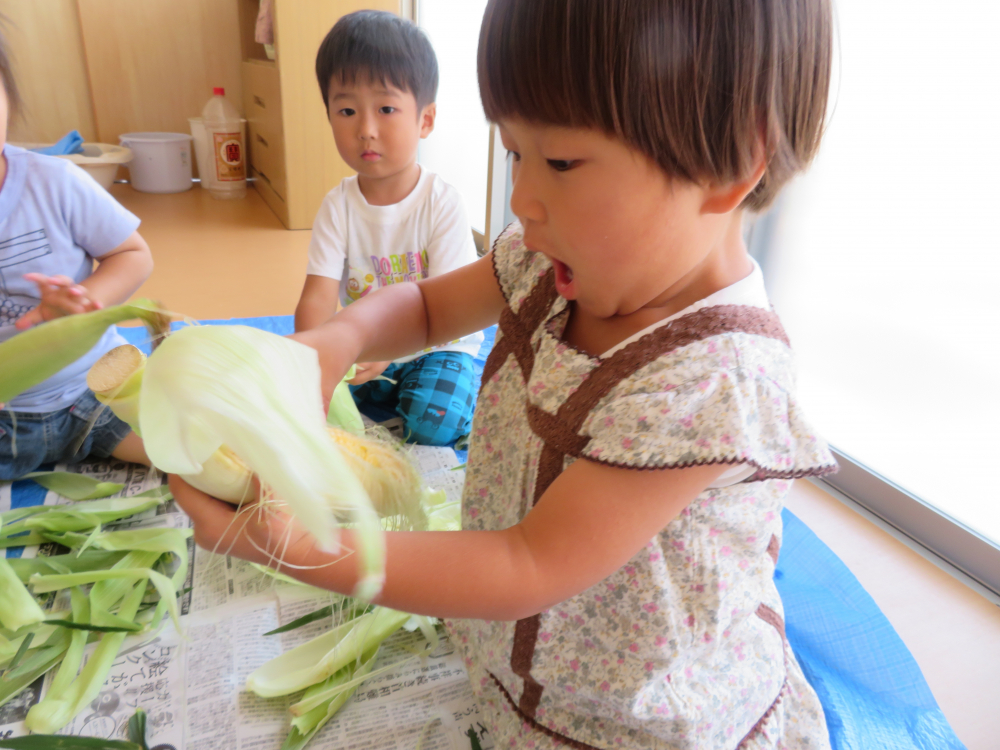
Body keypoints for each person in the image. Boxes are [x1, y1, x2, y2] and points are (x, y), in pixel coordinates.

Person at [172, 0, 838, 746]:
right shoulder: (550, 256)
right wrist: (343, 334)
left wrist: (293, 548)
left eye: (558, 161)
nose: (521, 199)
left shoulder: (712, 382)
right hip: (514, 653)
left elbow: (526, 564)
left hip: (625, 714)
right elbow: (426, 307)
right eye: (514, 152)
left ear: (727, 164)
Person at [294, 10, 483, 446]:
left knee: (433, 423)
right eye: (346, 110)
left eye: (386, 108)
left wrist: (389, 353)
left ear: (425, 120)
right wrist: (311, 354)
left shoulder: (442, 202)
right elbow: (318, 294)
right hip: (368, 350)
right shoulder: (337, 205)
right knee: (321, 407)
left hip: (437, 346)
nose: (366, 130)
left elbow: (452, 310)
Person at [0, 21, 153, 480]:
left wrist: (88, 303)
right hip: (7, 422)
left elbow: (132, 254)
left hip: (98, 390)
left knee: (198, 452)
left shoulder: (54, 181)